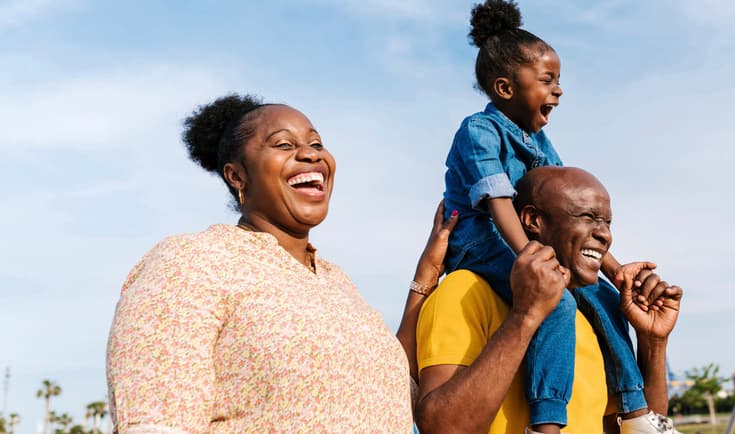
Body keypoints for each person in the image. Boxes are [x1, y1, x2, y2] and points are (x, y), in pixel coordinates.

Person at [106, 94, 458, 432]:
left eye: (317, 144)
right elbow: (157, 420)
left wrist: (426, 274)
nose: (310, 155)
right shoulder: (192, 262)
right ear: (237, 176)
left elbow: (395, 392)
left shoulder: (339, 283)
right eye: (284, 145)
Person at [442, 1, 655, 432]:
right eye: (547, 80)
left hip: (529, 245)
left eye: (559, 81)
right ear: (505, 88)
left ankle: (635, 413)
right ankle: (546, 424)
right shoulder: (478, 130)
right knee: (554, 300)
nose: (558, 90)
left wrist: (616, 271)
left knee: (607, 300)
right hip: (479, 241)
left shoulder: (541, 143)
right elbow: (497, 200)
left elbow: (571, 216)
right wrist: (534, 262)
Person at [417, 166, 683, 434]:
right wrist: (525, 315)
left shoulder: (597, 314)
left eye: (607, 222)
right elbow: (443, 428)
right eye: (587, 217)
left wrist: (653, 342)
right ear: (533, 220)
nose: (605, 235)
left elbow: (630, 429)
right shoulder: (467, 290)